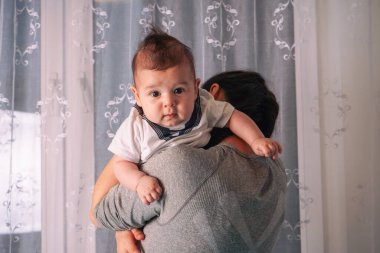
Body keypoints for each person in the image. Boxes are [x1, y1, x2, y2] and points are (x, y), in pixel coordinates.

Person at [91, 70, 287, 253]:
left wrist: (133, 137)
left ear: (211, 95)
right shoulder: (276, 172)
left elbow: (97, 212)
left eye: (180, 91)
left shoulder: (179, 164)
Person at [108, 28, 281, 205]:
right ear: (137, 96)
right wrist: (139, 182)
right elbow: (120, 165)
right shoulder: (136, 127)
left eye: (178, 91)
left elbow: (234, 117)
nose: (169, 102)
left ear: (195, 88)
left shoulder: (204, 106)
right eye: (155, 94)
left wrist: (256, 140)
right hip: (152, 192)